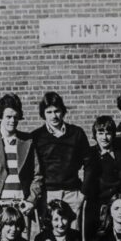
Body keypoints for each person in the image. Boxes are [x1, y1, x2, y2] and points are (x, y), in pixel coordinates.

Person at [0, 94, 43, 238]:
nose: (12, 121)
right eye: (8, 117)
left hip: (21, 209)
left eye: (16, 117)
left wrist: (31, 201)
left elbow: (38, 175)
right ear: (0, 117)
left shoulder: (27, 141)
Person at [32, 91, 91, 229]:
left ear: (63, 111)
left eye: (57, 111)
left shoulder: (77, 133)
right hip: (48, 194)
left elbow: (90, 164)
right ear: (43, 114)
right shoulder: (36, 137)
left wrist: (83, 193)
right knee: (50, 237)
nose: (54, 116)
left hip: (72, 194)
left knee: (73, 238)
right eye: (49, 112)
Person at [83, 115, 121, 241]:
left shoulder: (120, 155)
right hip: (95, 204)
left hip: (115, 203)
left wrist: (118, 200)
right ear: (95, 135)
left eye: (108, 133)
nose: (104, 138)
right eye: (100, 133)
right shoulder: (90, 153)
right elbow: (88, 181)